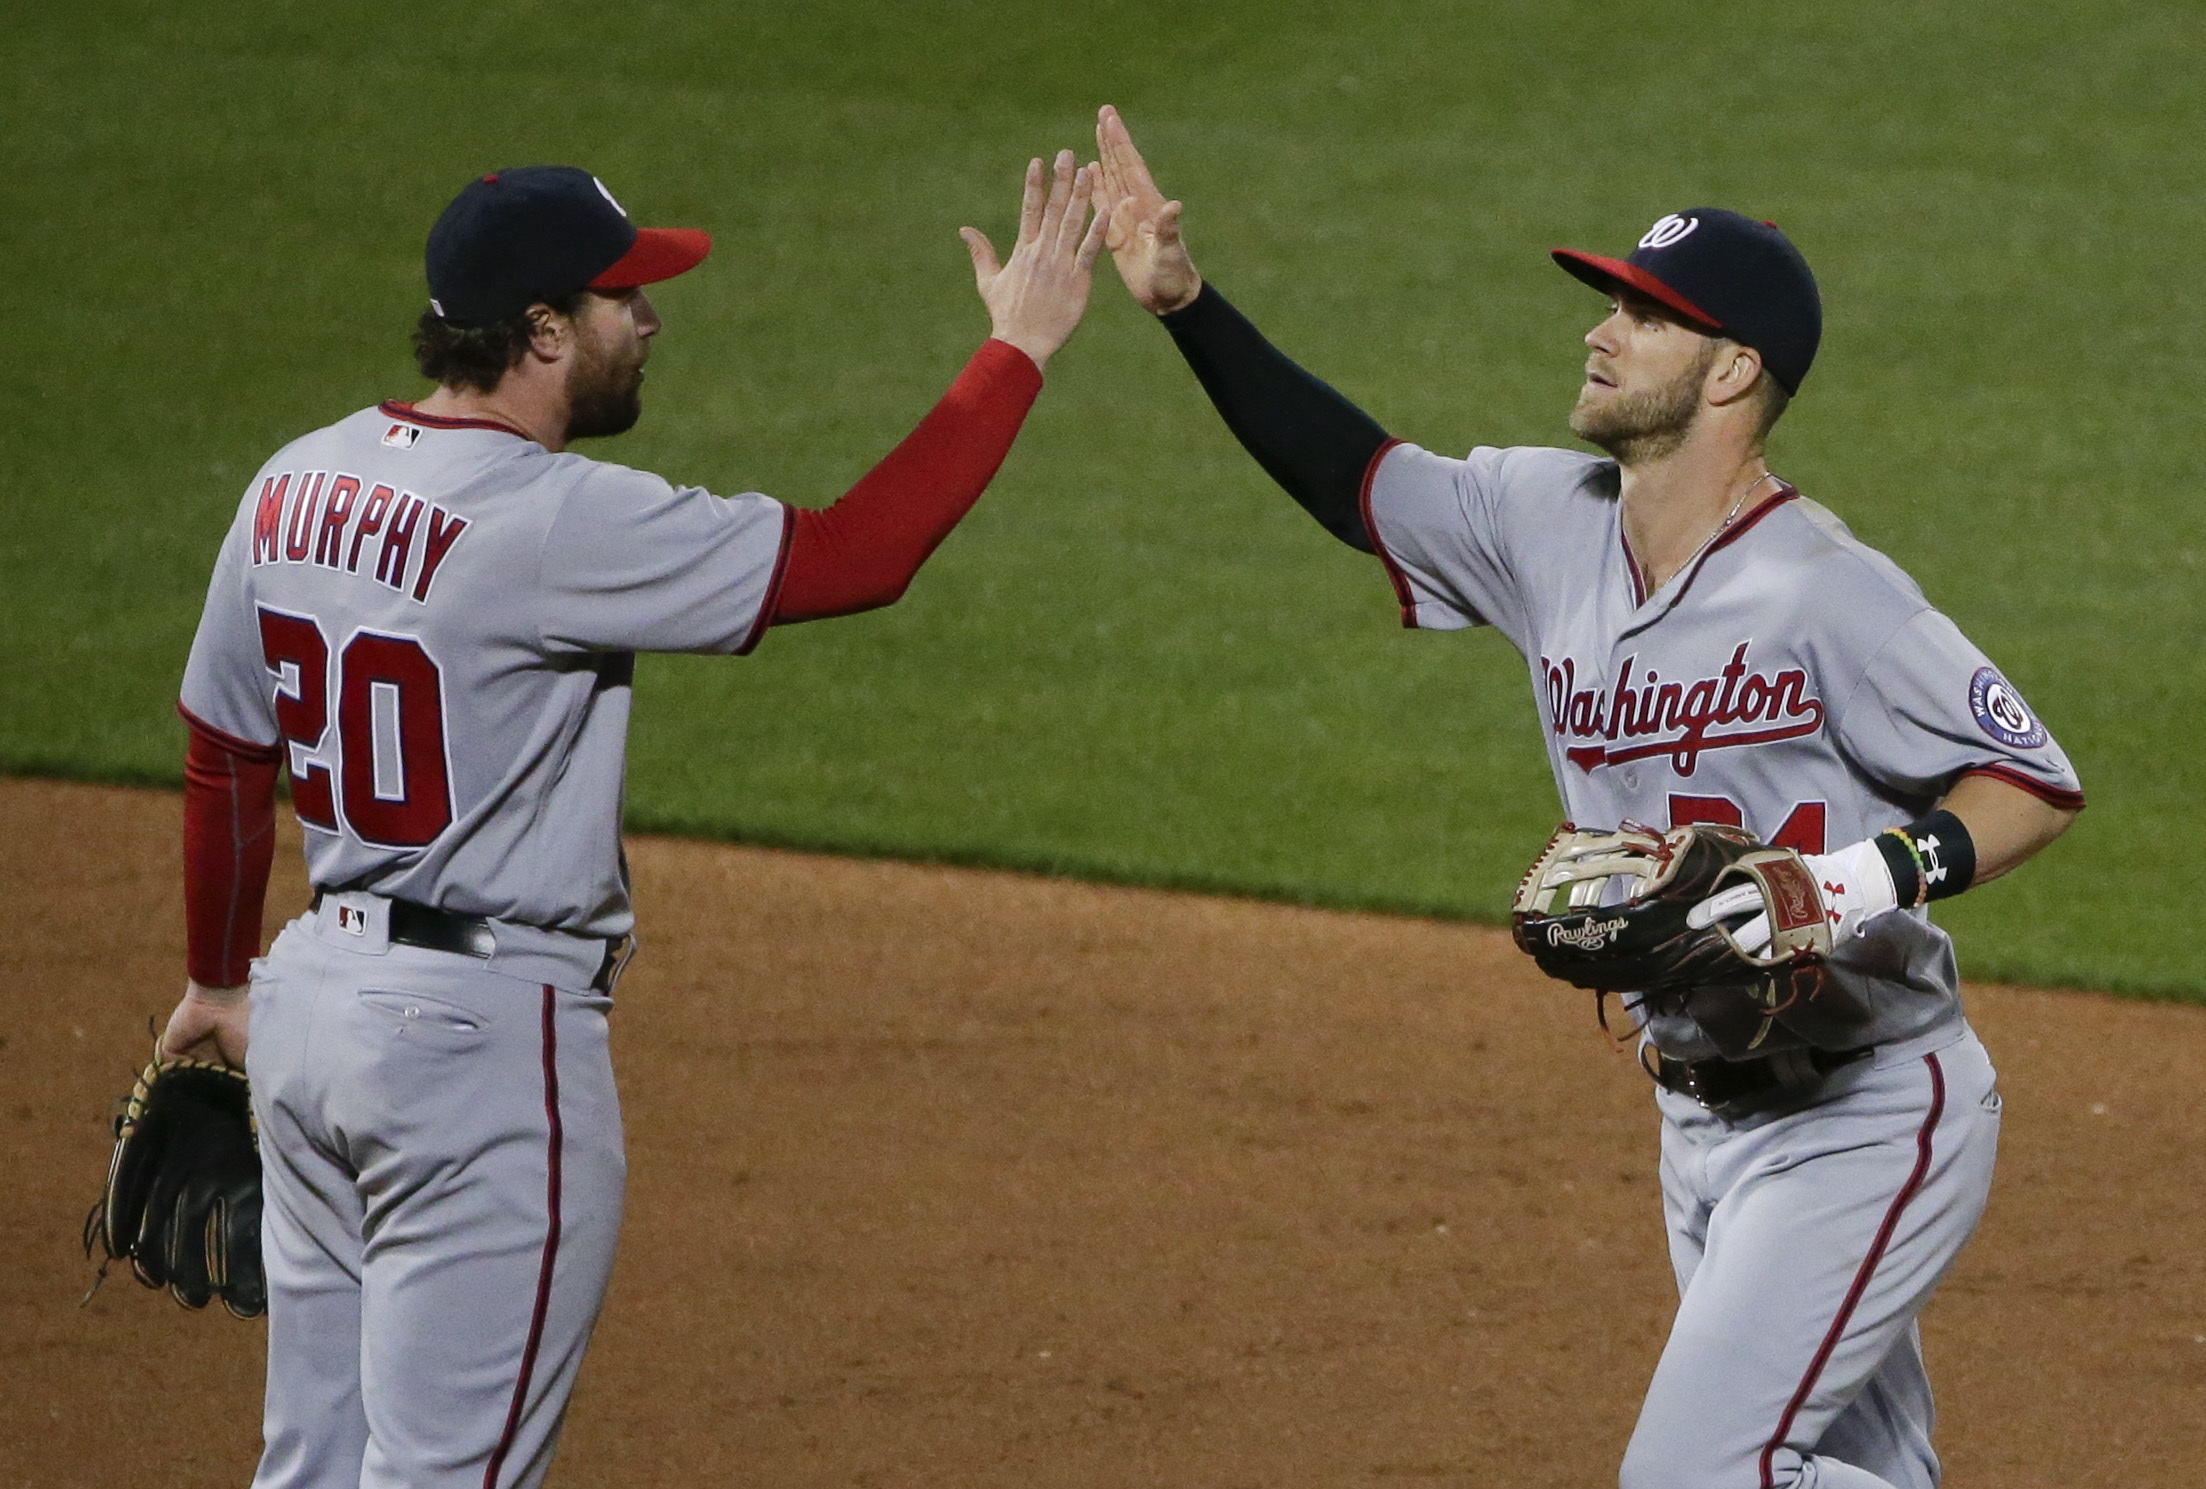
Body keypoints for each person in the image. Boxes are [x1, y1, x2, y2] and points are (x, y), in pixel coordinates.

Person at [1091, 104, 2082, 1489]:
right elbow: (1354, 481)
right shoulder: (1536, 521)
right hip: (1696, 1117)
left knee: (1693, 1476)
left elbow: (2033, 780)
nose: (1601, 331)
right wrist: (1188, 307)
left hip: (1865, 1105)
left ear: (1732, 369)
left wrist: (1829, 885)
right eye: (1610, 299)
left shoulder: (1825, 589)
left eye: (1645, 315)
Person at [159, 152, 1106, 1488]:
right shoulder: (549, 516)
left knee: (310, 1464)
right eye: (625, 300)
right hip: (474, 1052)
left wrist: (215, 971)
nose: (651, 322)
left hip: (310, 1007)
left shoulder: (294, 480)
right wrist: (1015, 346)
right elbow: (858, 554)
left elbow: (225, 750)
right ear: (540, 330)